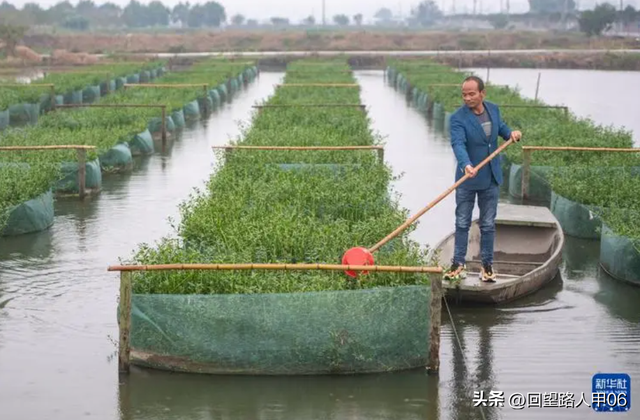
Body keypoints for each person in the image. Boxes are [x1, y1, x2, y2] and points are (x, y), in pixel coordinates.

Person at [444, 75, 522, 283]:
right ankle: (458, 264)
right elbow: (458, 144)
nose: (467, 98)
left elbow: (501, 129)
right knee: (462, 223)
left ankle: (486, 266)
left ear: (482, 94)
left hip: (491, 178)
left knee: (487, 224)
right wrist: (466, 164)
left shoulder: (493, 109)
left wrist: (511, 133)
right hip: (468, 178)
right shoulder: (458, 118)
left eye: (471, 94)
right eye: (464, 95)